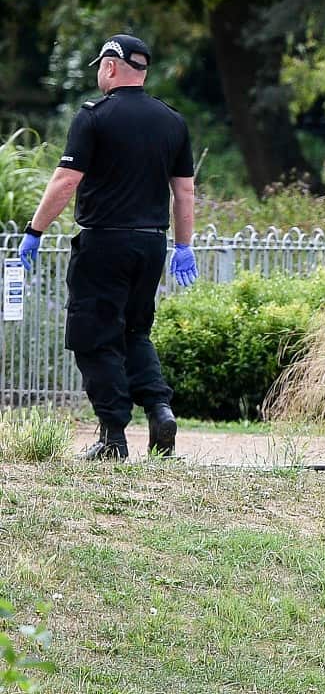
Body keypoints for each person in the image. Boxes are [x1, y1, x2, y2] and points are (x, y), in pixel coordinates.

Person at [19, 34, 198, 461]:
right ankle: (159, 409)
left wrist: (35, 230)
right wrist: (183, 246)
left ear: (112, 67)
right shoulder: (172, 121)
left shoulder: (94, 117)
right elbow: (186, 192)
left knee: (95, 337)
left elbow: (66, 180)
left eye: (101, 65)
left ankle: (112, 437)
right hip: (151, 246)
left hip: (104, 243)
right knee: (136, 331)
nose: (99, 72)